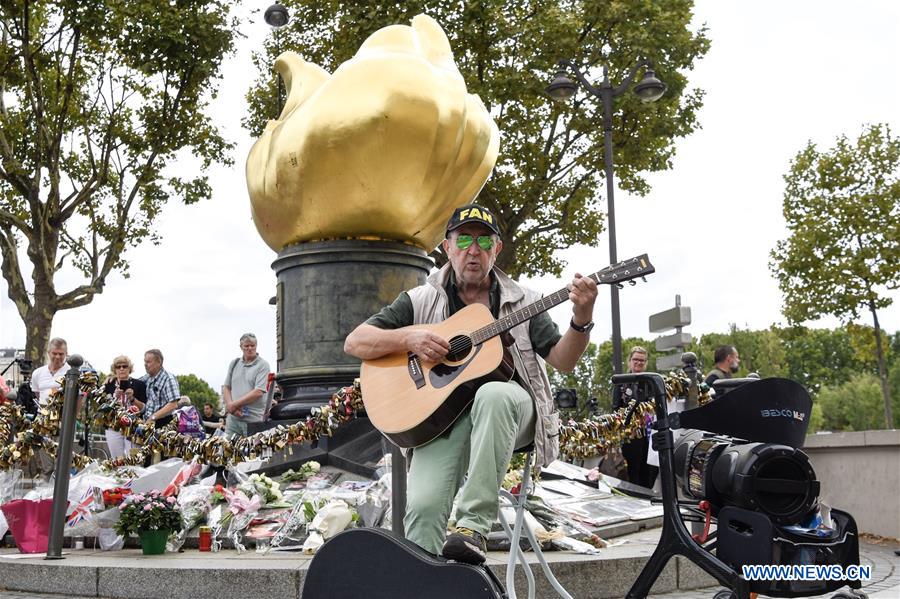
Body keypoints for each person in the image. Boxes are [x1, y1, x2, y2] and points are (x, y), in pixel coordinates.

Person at [344, 203, 598, 565]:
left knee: (494, 394)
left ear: (497, 250)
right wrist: (410, 338)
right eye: (463, 240)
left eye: (484, 241)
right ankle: (425, 584)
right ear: (447, 247)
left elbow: (564, 360)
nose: (473, 250)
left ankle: (473, 527)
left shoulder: (524, 301)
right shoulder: (420, 299)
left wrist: (581, 318)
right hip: (443, 418)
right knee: (424, 508)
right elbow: (356, 341)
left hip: (511, 412)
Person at [611, 346, 658, 488]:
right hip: (630, 435)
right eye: (636, 359)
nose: (639, 363)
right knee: (632, 471)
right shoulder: (621, 382)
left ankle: (647, 497)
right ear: (629, 361)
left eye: (642, 360)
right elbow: (615, 409)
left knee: (649, 471)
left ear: (646, 363)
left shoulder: (651, 382)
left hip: (649, 434)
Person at [222, 333, 271, 436]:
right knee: (226, 446)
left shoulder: (263, 365)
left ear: (256, 346)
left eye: (252, 345)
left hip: (253, 421)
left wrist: (234, 405)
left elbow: (258, 392)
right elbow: (226, 387)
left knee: (252, 447)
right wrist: (230, 406)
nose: (250, 348)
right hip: (233, 420)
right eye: (246, 346)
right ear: (241, 347)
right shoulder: (234, 363)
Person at [102, 355, 147, 459]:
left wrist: (132, 399)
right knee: (117, 460)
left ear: (129, 368)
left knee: (134, 459)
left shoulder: (139, 384)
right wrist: (114, 397)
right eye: (118, 367)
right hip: (113, 426)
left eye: (124, 366)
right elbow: (103, 408)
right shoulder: (108, 385)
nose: (121, 369)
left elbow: (143, 409)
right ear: (114, 369)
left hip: (133, 427)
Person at [139, 349, 180, 427]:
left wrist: (153, 417)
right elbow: (134, 383)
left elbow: (173, 404)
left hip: (163, 425)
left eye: (148, 362)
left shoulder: (169, 379)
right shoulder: (147, 377)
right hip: (148, 423)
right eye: (145, 361)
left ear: (159, 362)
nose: (145, 364)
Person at [30, 337, 68, 405]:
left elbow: (79, 397)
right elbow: (37, 394)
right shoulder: (37, 373)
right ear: (48, 353)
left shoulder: (70, 373)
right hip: (43, 410)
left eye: (61, 354)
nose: (57, 357)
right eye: (54, 353)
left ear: (66, 354)